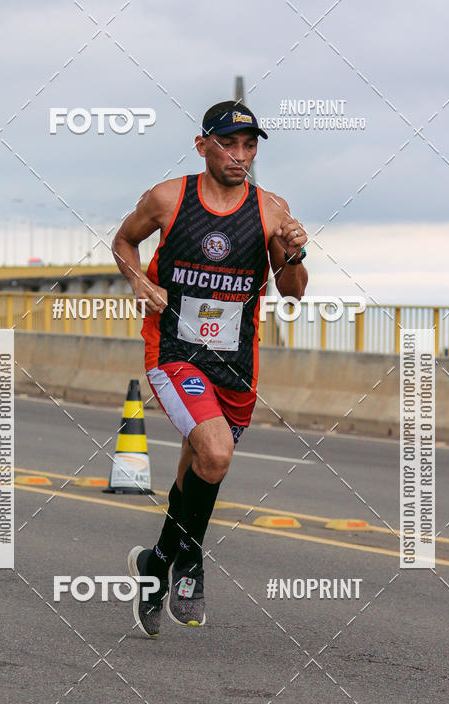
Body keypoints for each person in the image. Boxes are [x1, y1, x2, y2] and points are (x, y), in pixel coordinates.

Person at [112, 100, 308, 637]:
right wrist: (138, 281)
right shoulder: (168, 198)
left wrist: (292, 255)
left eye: (249, 145)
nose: (240, 155)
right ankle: (192, 563)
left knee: (199, 465)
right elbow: (124, 240)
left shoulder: (271, 211)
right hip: (174, 351)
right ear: (203, 146)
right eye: (228, 143)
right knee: (216, 451)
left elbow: (291, 293)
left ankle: (156, 563)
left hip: (237, 364)